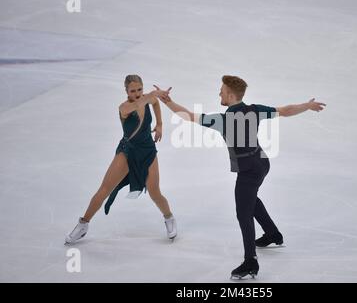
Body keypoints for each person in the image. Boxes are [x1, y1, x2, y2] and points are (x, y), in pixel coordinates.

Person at [153, 75, 326, 279]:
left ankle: (250, 261)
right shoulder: (254, 109)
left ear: (231, 95)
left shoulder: (223, 120)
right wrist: (307, 105)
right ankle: (272, 233)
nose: (219, 93)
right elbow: (285, 111)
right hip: (262, 163)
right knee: (250, 199)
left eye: (222, 91)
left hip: (248, 171)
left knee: (243, 213)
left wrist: (167, 102)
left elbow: (190, 116)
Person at [65, 75, 177, 245]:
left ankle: (169, 218)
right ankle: (83, 224)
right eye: (133, 90)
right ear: (126, 91)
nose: (137, 93)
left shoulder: (148, 99)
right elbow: (144, 101)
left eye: (140, 89)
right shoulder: (124, 108)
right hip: (128, 151)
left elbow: (154, 103)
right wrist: (153, 94)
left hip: (147, 150)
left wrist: (160, 123)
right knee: (104, 189)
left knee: (155, 191)